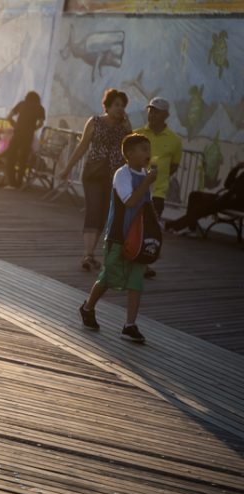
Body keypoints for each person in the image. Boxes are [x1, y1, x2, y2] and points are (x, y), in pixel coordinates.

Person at [78, 134, 158, 344]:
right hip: (118, 236)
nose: (147, 154)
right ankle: (88, 307)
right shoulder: (122, 175)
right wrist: (147, 182)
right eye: (143, 149)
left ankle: (129, 325)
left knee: (136, 280)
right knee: (109, 277)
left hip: (138, 237)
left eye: (148, 149)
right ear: (129, 153)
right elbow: (130, 201)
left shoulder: (145, 174)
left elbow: (145, 206)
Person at [58, 88, 132, 271]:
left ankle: (90, 254)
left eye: (122, 106)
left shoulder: (123, 128)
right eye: (116, 105)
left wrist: (128, 126)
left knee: (104, 215)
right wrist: (68, 168)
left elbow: (132, 147)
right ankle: (87, 254)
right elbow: (83, 146)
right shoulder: (95, 122)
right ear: (107, 106)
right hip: (94, 173)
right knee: (93, 210)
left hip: (113, 176)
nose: (119, 109)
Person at [133, 96, 181, 278]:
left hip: (157, 193)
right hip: (136, 190)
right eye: (150, 110)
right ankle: (128, 258)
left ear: (165, 115)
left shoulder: (175, 140)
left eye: (156, 111)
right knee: (132, 226)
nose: (151, 114)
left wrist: (159, 177)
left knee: (150, 229)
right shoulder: (137, 134)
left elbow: (174, 166)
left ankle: (143, 265)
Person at [164, 161, 244, 236]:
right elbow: (227, 184)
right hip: (226, 198)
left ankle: (175, 225)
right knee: (194, 196)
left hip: (236, 203)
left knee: (203, 208)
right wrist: (236, 168)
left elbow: (238, 193)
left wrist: (227, 196)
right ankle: (190, 227)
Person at [5, 90, 46, 189]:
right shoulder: (40, 108)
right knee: (23, 160)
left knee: (10, 157)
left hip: (17, 134)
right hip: (28, 136)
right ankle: (19, 184)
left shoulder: (21, 104)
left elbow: (9, 117)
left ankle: (11, 182)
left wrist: (15, 126)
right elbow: (40, 123)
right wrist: (33, 129)